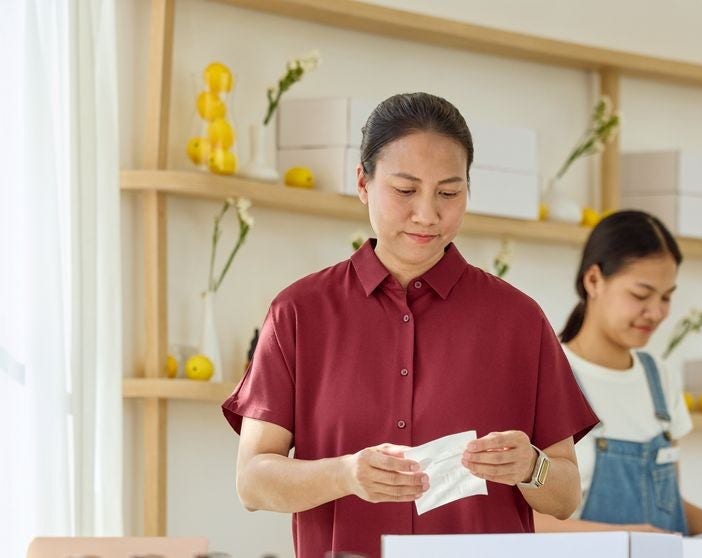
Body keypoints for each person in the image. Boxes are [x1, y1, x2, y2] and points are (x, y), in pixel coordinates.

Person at [222, 92, 599, 558]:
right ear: (363, 182)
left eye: (448, 192)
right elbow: (253, 481)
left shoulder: (519, 320)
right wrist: (345, 474)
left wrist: (531, 466)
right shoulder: (299, 312)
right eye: (404, 190)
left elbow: (565, 496)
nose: (427, 214)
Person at [533, 210, 702, 537]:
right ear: (594, 280)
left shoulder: (660, 379)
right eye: (640, 295)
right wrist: (627, 538)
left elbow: (667, 506)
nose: (656, 312)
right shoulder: (548, 376)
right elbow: (526, 521)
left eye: (667, 297)